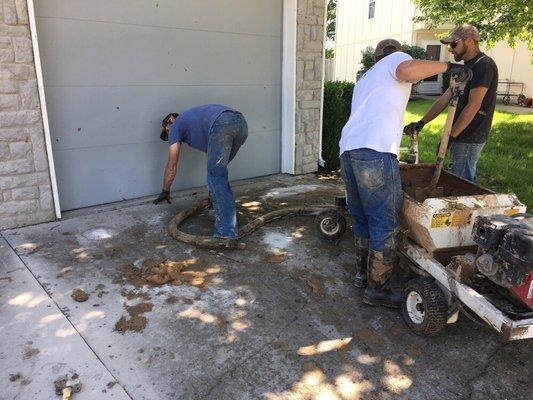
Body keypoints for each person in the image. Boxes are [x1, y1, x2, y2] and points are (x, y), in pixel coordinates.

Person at [339, 38, 471, 308]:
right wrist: (448, 65)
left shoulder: (366, 78)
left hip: (348, 150)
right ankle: (378, 289)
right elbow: (406, 70)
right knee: (384, 222)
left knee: (362, 217)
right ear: (395, 54)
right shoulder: (395, 60)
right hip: (375, 150)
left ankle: (362, 277)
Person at [404, 24, 498, 183]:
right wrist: (422, 122)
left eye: (454, 44)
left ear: (469, 41)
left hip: (470, 135)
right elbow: (445, 98)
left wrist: (451, 137)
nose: (450, 49)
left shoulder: (484, 65)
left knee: (463, 182)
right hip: (460, 134)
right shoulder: (464, 68)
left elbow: (474, 106)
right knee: (458, 177)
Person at [154, 104, 248, 239]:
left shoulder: (175, 125)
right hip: (241, 123)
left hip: (222, 123)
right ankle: (221, 210)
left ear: (170, 121)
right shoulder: (194, 124)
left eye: (166, 131)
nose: (169, 135)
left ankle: (226, 232)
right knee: (217, 174)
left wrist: (165, 191)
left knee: (216, 176)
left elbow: (171, 166)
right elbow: (211, 156)